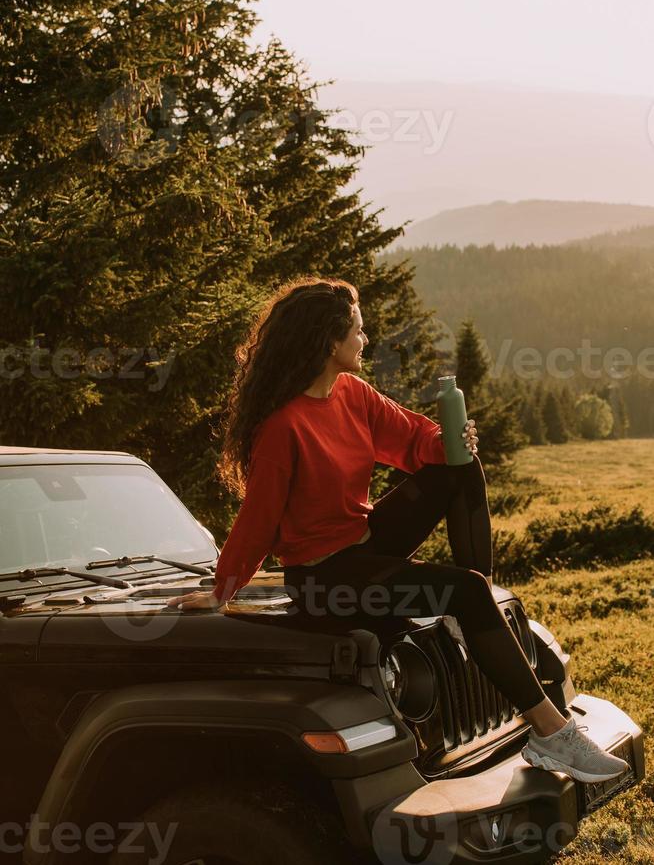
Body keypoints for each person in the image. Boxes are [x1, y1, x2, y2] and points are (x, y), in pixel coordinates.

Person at [169, 277, 628, 784]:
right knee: (464, 591)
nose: (366, 340)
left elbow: (414, 436)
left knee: (460, 466)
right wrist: (220, 589)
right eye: (358, 332)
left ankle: (474, 608)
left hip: (366, 541)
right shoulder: (283, 428)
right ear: (329, 341)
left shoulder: (352, 394)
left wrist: (452, 439)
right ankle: (551, 734)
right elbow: (257, 522)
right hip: (324, 580)